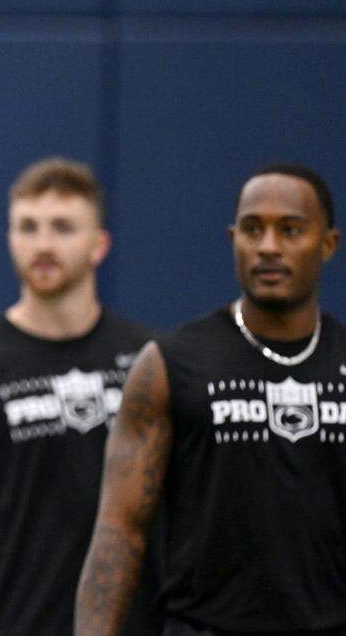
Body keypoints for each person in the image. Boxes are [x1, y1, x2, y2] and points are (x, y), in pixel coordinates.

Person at [76, 163, 346, 635]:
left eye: (290, 229)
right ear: (231, 239)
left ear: (327, 244)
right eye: (251, 229)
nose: (267, 247)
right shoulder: (170, 364)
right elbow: (120, 531)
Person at [0, 158, 163, 635]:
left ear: (99, 244)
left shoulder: (150, 363)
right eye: (29, 227)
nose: (43, 244)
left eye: (63, 228)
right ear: (10, 239)